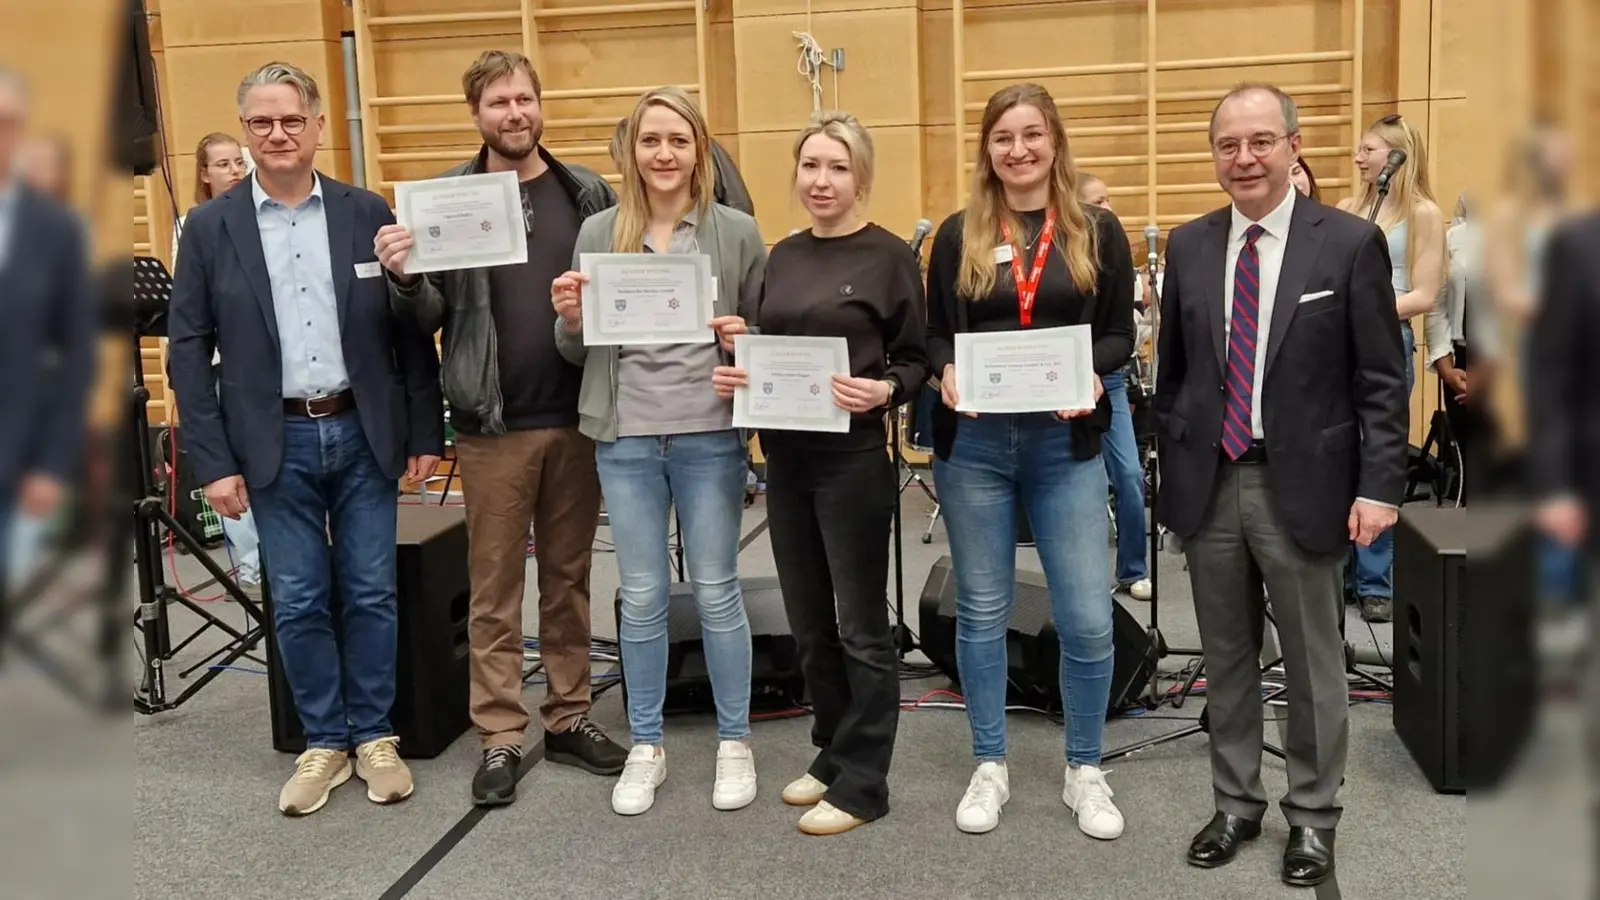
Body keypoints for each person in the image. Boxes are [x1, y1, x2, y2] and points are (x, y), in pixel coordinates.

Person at [165, 61, 445, 817]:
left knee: (370, 590)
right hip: (270, 441)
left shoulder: (365, 211)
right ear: (245, 130)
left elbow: (409, 335)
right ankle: (325, 739)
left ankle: (375, 734)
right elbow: (185, 348)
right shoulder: (211, 228)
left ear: (319, 126)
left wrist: (425, 428)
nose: (278, 134)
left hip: (363, 431)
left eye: (292, 119)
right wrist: (211, 462)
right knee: (295, 598)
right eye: (261, 122)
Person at [1153, 83, 1408, 887]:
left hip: (1308, 486)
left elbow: (1380, 381)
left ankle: (1312, 818)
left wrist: (1380, 486)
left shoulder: (1348, 244)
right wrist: (1174, 465)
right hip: (1211, 484)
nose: (1245, 158)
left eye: (1262, 141)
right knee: (1225, 659)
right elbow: (1176, 375)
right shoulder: (1192, 246)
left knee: (1312, 664)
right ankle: (1235, 803)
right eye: (1229, 145)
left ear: (1294, 146)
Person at [377, 50, 626, 807]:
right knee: (492, 589)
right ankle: (499, 735)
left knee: (569, 580)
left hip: (578, 417)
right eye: (498, 103)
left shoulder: (588, 193)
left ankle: (570, 716)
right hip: (491, 424)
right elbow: (425, 320)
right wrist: (406, 276)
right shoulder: (447, 199)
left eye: (524, 99)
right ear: (476, 115)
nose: (514, 114)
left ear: (539, 105)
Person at [924, 82, 1136, 840]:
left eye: (1032, 135)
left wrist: (1088, 374)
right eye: (1003, 137)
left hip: (1063, 441)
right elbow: (935, 337)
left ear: (1055, 142)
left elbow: (1120, 336)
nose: (1018, 149)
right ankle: (991, 762)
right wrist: (943, 371)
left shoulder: (1097, 231)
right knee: (981, 612)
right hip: (975, 446)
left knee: (1084, 615)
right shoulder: (958, 233)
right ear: (986, 149)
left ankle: (1086, 768)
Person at [549, 85, 767, 817]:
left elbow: (764, 340)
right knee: (641, 598)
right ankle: (647, 744)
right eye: (650, 141)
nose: (663, 154)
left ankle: (734, 741)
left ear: (699, 149)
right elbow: (574, 348)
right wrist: (572, 317)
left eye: (678, 139)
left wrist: (746, 341)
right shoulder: (599, 231)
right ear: (631, 151)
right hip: (628, 439)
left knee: (716, 591)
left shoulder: (735, 232)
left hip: (709, 434)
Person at [710, 111, 928, 835]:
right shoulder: (784, 255)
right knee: (809, 625)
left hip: (854, 461)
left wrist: (887, 388)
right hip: (788, 460)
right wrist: (741, 358)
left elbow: (916, 357)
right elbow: (776, 353)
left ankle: (867, 782)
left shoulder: (889, 256)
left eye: (837, 167)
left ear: (859, 177)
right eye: (811, 166)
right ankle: (832, 752)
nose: (822, 180)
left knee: (861, 627)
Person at [1337, 113, 1445, 623]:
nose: (1359, 158)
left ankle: (1375, 578)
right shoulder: (1347, 208)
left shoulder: (1423, 213)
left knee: (1378, 452)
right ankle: (1337, 569)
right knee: (1337, 450)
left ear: (1397, 156)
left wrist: (1368, 309)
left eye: (1369, 150)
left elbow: (1424, 294)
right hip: (1337, 343)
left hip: (1387, 338)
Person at [0, 68, 96, 611]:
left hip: (20, 458)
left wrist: (54, 465)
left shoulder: (57, 231)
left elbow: (78, 356)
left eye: (7, 124)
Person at [1075, 171, 1152, 601]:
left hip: (1110, 378)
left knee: (1127, 474)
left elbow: (1128, 328)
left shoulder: (1116, 249)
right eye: (1098, 201)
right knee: (1076, 483)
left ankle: (1132, 569)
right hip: (1064, 379)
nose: (1108, 209)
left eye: (1108, 200)